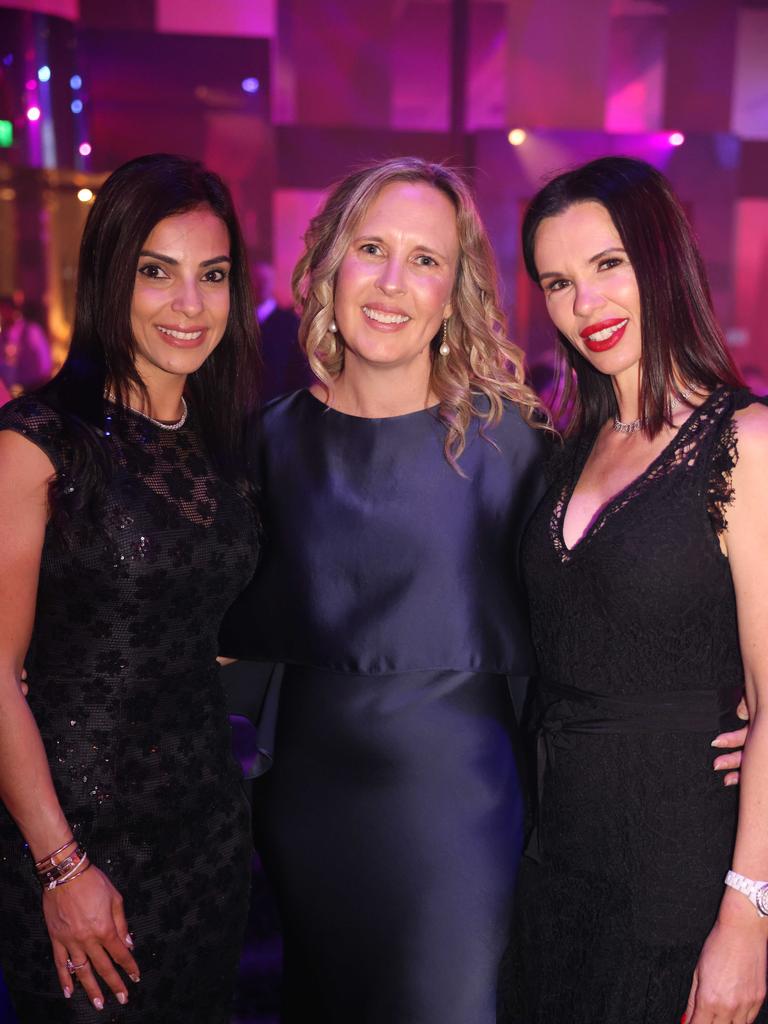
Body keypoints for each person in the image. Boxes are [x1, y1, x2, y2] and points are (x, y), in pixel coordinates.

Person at [219, 156, 549, 1024]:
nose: (393, 282)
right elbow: (208, 629)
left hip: (461, 816)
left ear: (455, 291)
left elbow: (599, 616)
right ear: (330, 264)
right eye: (372, 248)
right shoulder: (264, 445)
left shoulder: (513, 444)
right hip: (308, 811)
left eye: (426, 259)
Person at [500, 156, 768, 1024]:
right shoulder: (572, 446)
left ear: (662, 260)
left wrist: (746, 916)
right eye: (558, 282)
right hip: (558, 866)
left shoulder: (748, 442)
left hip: (684, 873)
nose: (587, 305)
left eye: (608, 265)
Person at [0, 153, 259, 1022]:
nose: (190, 305)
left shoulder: (225, 449)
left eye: (212, 276)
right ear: (111, 275)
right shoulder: (38, 443)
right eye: (158, 272)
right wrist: (60, 865)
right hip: (74, 841)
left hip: (209, 836)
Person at [252, 261, 310, 400]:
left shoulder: (289, 322)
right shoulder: (241, 322)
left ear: (273, 282)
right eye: (258, 280)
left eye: (266, 280)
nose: (262, 285)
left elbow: (300, 372)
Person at [0, 294, 53, 393]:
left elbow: (44, 362)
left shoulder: (31, 330)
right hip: (15, 388)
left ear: (13, 310)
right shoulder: (4, 335)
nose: (2, 314)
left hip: (35, 386)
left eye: (3, 310)